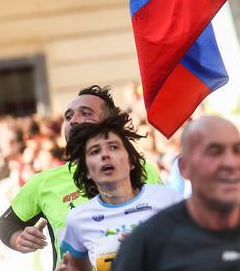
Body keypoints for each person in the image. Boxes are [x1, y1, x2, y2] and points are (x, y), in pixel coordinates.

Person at [0, 85, 161, 267]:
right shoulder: (44, 182)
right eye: (68, 116)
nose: (73, 120)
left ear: (110, 120)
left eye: (86, 113)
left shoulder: (145, 171)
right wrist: (18, 239)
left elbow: (172, 226)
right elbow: (7, 223)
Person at [112, 115, 240, 271]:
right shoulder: (146, 245)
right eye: (214, 152)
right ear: (184, 168)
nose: (230, 163)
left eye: (237, 151)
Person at [57, 113, 182, 271]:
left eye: (114, 147)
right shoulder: (78, 219)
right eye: (95, 151)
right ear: (86, 170)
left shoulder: (168, 199)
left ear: (131, 161)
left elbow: (199, 251)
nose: (105, 155)